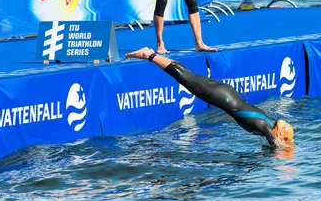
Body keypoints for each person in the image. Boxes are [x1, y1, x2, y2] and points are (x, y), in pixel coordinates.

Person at [125, 47, 294, 146]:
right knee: (183, 76)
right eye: (283, 139)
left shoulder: (270, 121)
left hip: (226, 94)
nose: (282, 141)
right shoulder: (266, 127)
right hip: (221, 97)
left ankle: (151, 55)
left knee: (187, 75)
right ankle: (149, 55)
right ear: (278, 132)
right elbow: (276, 147)